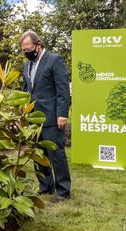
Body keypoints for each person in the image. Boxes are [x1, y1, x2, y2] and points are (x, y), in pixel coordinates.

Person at [20, 30, 71, 203]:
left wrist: (62, 114)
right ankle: (45, 185)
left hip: (52, 117)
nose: (26, 52)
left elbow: (63, 89)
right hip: (33, 118)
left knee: (56, 154)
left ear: (38, 45)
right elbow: (26, 90)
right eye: (23, 49)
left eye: (28, 48)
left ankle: (63, 190)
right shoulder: (27, 65)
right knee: (38, 154)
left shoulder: (54, 60)